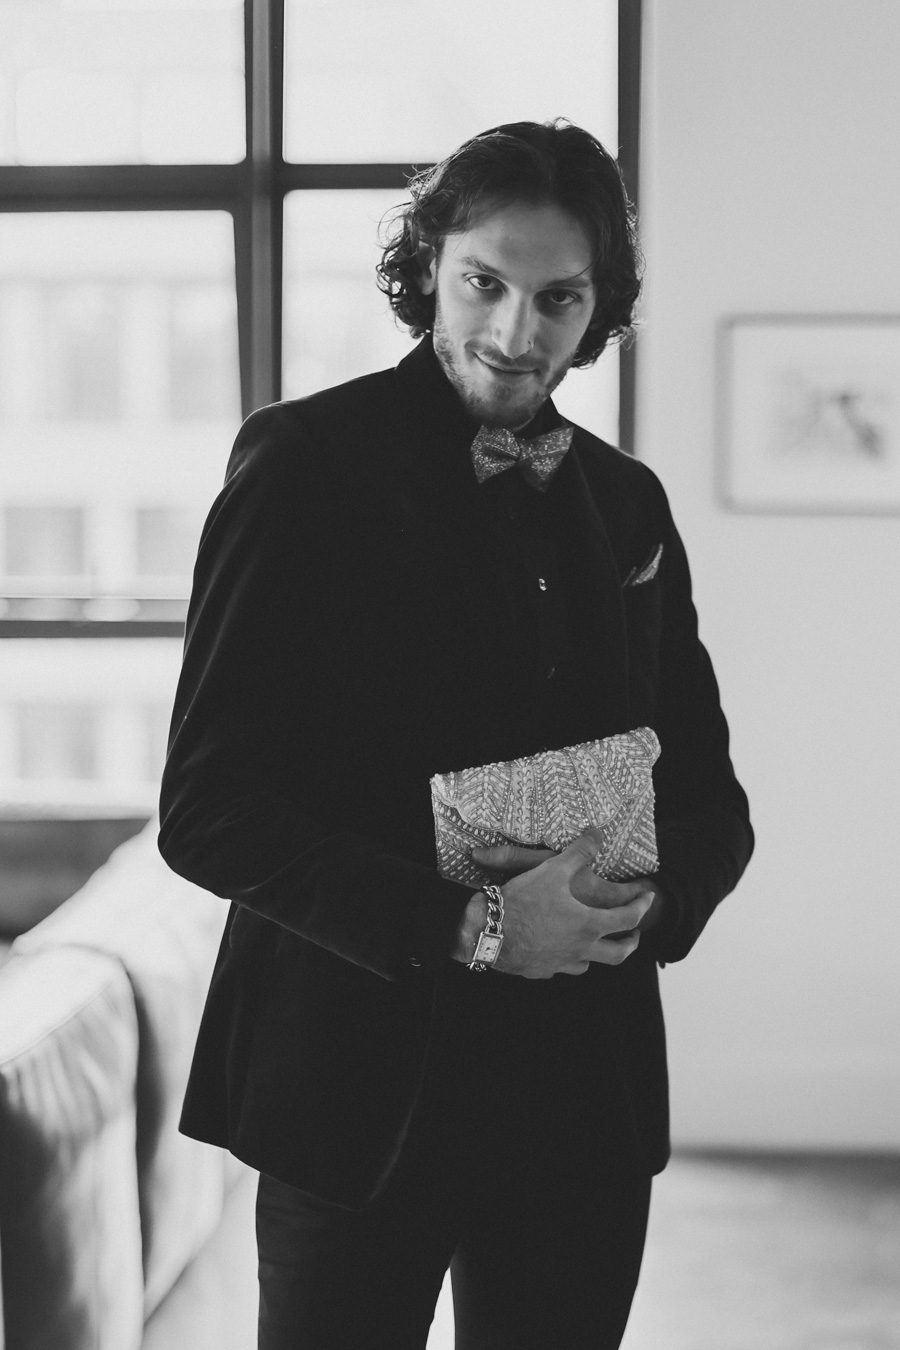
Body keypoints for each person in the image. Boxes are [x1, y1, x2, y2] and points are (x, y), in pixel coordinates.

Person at [158, 118, 753, 1350]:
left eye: (559, 298)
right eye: (485, 281)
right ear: (430, 264)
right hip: (355, 1088)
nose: (516, 332)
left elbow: (710, 800)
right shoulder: (301, 464)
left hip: (583, 1100)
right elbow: (209, 809)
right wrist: (477, 925)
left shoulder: (628, 502)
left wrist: (640, 907)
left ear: (599, 307)